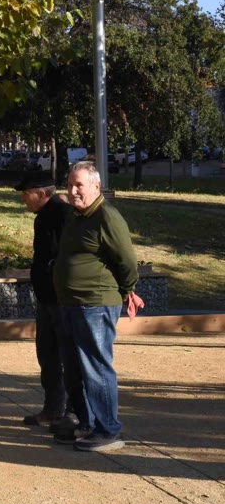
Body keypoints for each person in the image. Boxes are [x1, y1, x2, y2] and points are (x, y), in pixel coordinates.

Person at [53, 161, 143, 452]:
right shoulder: (76, 216)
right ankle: (88, 424)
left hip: (95, 304)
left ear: (96, 186)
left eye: (79, 184)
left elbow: (127, 261)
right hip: (71, 303)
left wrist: (128, 289)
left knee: (96, 367)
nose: (73, 190)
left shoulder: (107, 217)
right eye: (69, 185)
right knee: (76, 368)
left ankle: (109, 431)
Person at [15, 172, 81, 428]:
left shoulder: (63, 214)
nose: (23, 199)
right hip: (45, 297)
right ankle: (53, 409)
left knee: (68, 357)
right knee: (48, 356)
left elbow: (69, 254)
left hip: (62, 298)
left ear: (42, 193)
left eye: (26, 194)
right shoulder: (43, 216)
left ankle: (73, 412)